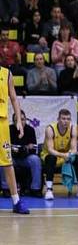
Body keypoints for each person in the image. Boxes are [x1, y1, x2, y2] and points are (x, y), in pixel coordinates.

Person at [41, 109, 78, 200]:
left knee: (77, 158)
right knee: (51, 158)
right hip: (50, 155)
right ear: (58, 119)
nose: (66, 121)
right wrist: (64, 155)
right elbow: (50, 150)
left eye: (68, 119)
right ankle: (49, 190)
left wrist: (69, 155)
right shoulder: (50, 129)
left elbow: (74, 149)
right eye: (63, 118)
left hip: (65, 156)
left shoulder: (72, 129)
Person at [0, 66, 29, 213]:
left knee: (7, 162)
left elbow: (13, 97)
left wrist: (18, 120)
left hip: (2, 122)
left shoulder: (6, 73)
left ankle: (16, 201)